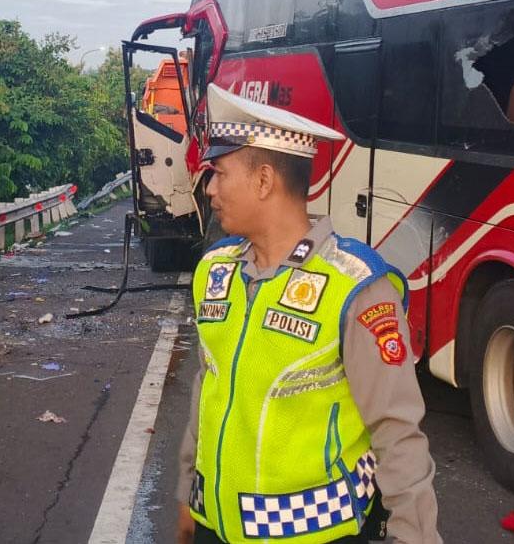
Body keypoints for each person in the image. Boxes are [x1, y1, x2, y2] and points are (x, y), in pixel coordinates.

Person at [177, 86, 441, 544]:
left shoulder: (355, 287)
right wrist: (188, 497)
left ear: (263, 181)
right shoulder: (214, 271)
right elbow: (208, 387)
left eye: (218, 173)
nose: (210, 189)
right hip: (213, 528)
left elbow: (397, 430)